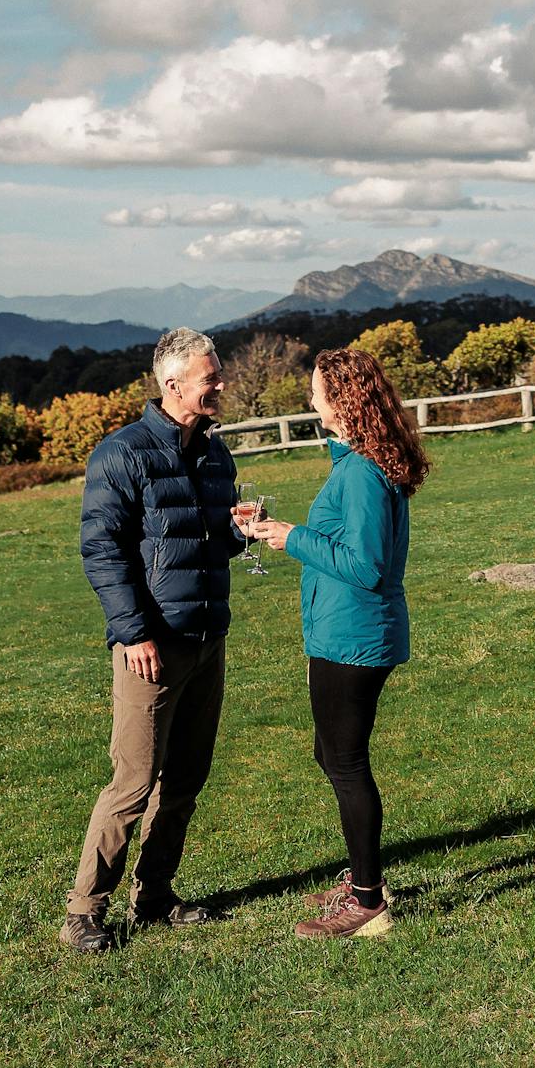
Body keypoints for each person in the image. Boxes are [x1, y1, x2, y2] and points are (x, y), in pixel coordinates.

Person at [59, 327, 247, 954]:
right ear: (173, 385)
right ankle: (84, 912)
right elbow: (101, 550)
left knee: (186, 778)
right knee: (134, 782)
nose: (220, 385)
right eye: (209, 378)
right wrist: (134, 631)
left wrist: (238, 533)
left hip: (206, 639)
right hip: (151, 647)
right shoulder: (122, 453)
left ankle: (155, 895)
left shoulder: (217, 455)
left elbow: (206, 542)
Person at [244, 346, 429, 940]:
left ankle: (369, 902)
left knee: (345, 763)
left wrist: (289, 535)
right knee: (332, 755)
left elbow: (367, 565)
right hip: (342, 631)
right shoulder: (355, 462)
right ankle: (363, 879)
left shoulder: (361, 473)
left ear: (343, 399)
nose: (310, 398)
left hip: (353, 638)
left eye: (318, 389)